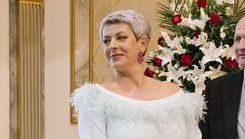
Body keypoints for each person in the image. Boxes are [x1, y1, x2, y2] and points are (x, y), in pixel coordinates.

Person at [71, 10, 204, 138]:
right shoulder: (95, 100)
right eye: (106, 41)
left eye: (121, 37)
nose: (112, 45)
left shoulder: (176, 96)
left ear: (142, 43)